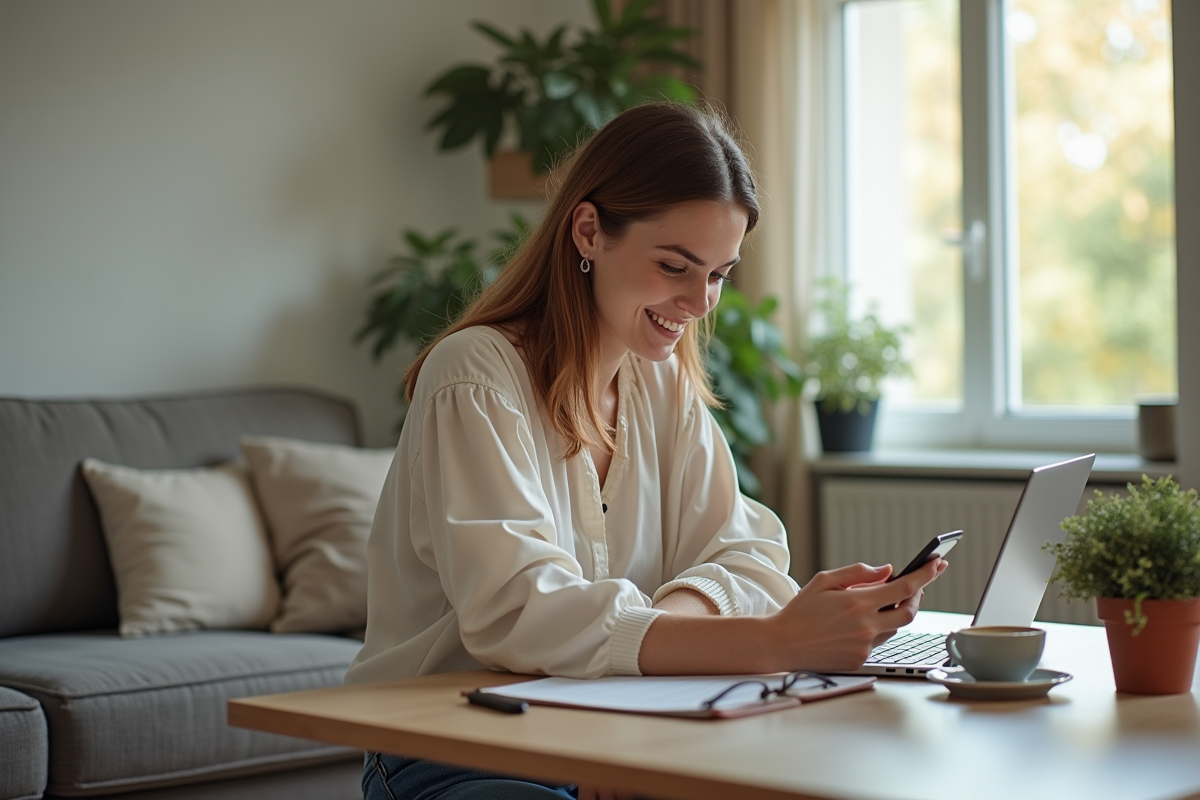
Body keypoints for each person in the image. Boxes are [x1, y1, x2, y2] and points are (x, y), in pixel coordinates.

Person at [349, 102, 946, 800]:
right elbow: (517, 614)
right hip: (451, 749)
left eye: (720, 274)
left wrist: (667, 644)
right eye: (675, 266)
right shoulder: (475, 377)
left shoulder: (660, 381)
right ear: (589, 230)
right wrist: (772, 643)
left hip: (596, 728)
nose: (699, 302)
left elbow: (748, 551)